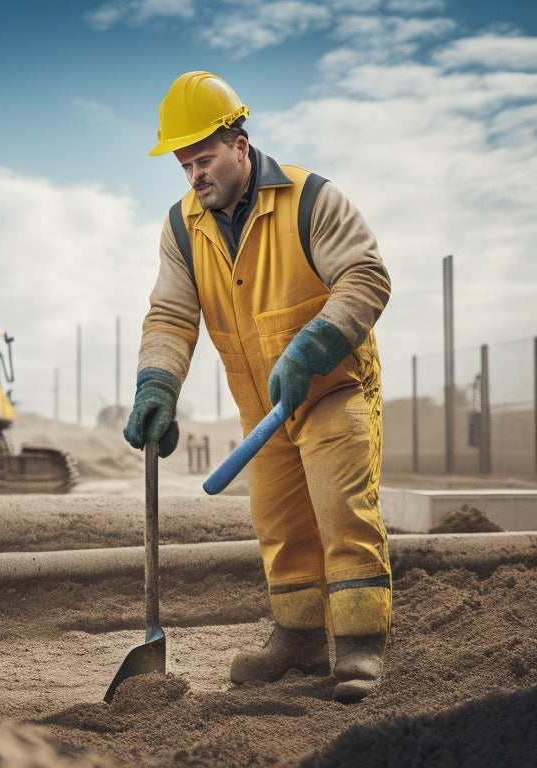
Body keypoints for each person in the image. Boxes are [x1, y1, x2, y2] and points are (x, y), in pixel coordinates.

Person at [123, 71, 392, 704]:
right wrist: (156, 384)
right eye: (183, 163)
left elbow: (366, 276)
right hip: (262, 409)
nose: (193, 175)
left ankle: (357, 650)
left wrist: (313, 347)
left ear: (240, 145)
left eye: (204, 158)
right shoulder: (183, 228)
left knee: (341, 516)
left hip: (332, 391)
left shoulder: (311, 199)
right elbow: (170, 315)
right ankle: (297, 641)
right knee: (281, 528)